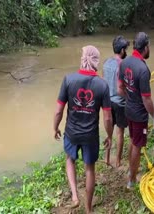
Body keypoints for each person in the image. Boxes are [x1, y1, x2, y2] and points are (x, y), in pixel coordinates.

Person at [53, 45, 113, 214]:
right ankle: (88, 209)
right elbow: (108, 117)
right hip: (90, 136)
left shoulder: (69, 79)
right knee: (89, 168)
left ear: (82, 59)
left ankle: (74, 196)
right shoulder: (102, 85)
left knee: (69, 159)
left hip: (71, 132)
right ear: (96, 61)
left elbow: (59, 110)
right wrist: (109, 136)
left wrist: (55, 127)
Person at [118, 32, 154, 189]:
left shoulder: (124, 63)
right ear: (145, 47)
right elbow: (146, 99)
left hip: (128, 109)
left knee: (133, 140)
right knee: (137, 145)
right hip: (139, 115)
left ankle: (129, 171)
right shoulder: (143, 70)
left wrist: (131, 98)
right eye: (149, 46)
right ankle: (131, 180)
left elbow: (120, 88)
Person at [103, 35, 130, 167]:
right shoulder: (123, 65)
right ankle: (118, 161)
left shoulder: (106, 62)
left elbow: (104, 83)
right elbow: (120, 90)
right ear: (122, 50)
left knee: (109, 131)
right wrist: (130, 97)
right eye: (126, 49)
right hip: (119, 103)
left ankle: (107, 159)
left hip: (107, 102)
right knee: (120, 132)